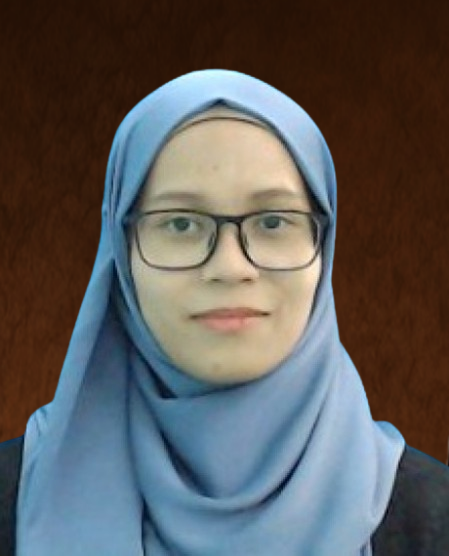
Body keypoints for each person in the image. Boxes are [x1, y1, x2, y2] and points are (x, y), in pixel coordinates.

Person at [1, 69, 449, 555]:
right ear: (122, 252)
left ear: (324, 246)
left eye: (273, 221)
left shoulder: (429, 517)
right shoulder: (11, 499)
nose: (230, 267)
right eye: (180, 223)